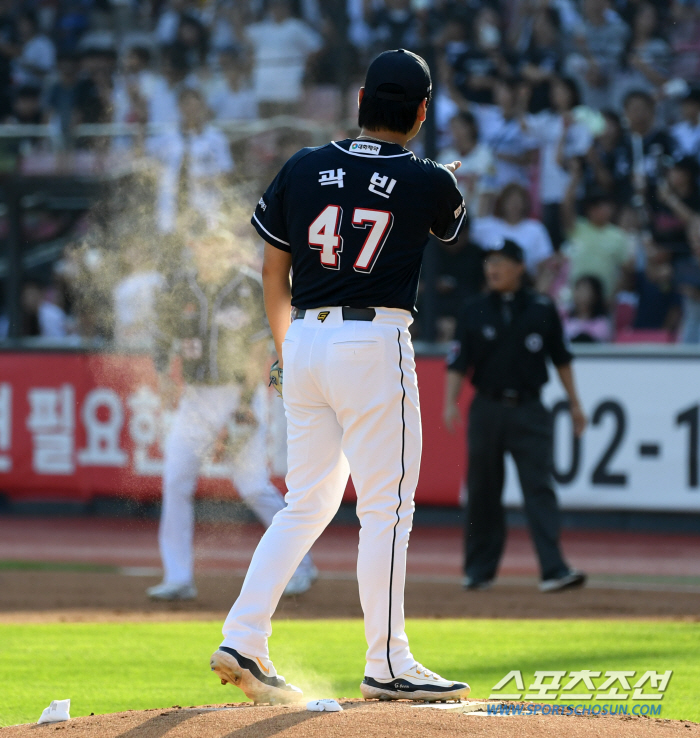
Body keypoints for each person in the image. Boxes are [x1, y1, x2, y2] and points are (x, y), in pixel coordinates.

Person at [210, 49, 471, 705]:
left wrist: (283, 346)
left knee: (308, 503)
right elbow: (447, 221)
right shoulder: (427, 178)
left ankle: (244, 635)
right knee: (386, 507)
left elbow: (274, 272)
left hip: (302, 338)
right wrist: (437, 177)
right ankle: (388, 661)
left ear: (359, 100)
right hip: (373, 340)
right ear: (420, 111)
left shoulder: (302, 165)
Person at [148, 232, 317, 601]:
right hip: (195, 397)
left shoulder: (248, 285)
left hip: (237, 392)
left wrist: (242, 406)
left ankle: (301, 565)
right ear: (194, 246)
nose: (211, 250)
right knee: (176, 481)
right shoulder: (180, 287)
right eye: (205, 243)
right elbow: (161, 337)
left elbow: (259, 349)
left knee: (253, 486)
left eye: (218, 243)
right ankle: (178, 577)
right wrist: (163, 376)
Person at [443, 239, 587, 592]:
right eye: (489, 263)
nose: (493, 269)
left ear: (519, 268)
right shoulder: (473, 308)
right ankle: (478, 570)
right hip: (487, 408)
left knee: (539, 488)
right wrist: (450, 401)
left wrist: (575, 402)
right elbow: (459, 360)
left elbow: (562, 358)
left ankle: (553, 569)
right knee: (482, 491)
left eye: (501, 263)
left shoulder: (542, 308)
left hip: (529, 408)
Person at [562, 160, 634, 301]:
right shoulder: (578, 228)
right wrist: (575, 179)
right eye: (596, 206)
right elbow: (566, 205)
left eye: (605, 206)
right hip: (575, 299)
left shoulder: (618, 235)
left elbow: (627, 272)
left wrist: (613, 296)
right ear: (589, 209)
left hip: (603, 300)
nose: (602, 210)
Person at [471, 183, 554, 277]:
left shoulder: (536, 229)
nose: (514, 204)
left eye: (518, 200)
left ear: (525, 203)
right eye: (510, 200)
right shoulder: (486, 226)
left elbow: (545, 262)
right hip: (490, 281)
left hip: (525, 281)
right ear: (502, 202)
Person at [564, 275, 612, 342]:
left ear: (595, 295)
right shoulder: (566, 319)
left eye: (586, 290)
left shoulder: (602, 323)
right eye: (578, 289)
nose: (581, 295)